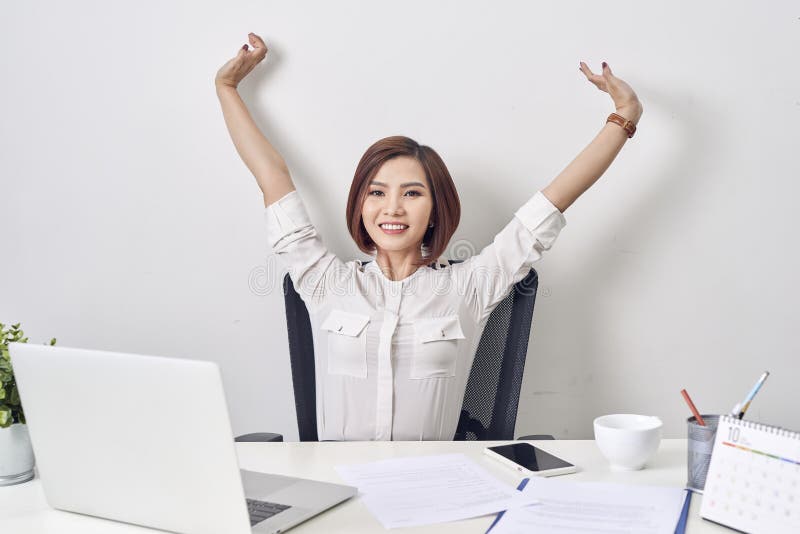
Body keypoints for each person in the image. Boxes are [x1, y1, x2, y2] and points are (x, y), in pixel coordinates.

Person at [215, 33, 642, 441]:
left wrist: (624, 117)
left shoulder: (471, 287)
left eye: (412, 193)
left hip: (435, 485)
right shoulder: (326, 283)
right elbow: (272, 177)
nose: (393, 208)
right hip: (343, 488)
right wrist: (227, 86)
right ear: (360, 205)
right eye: (377, 192)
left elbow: (551, 204)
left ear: (436, 208)